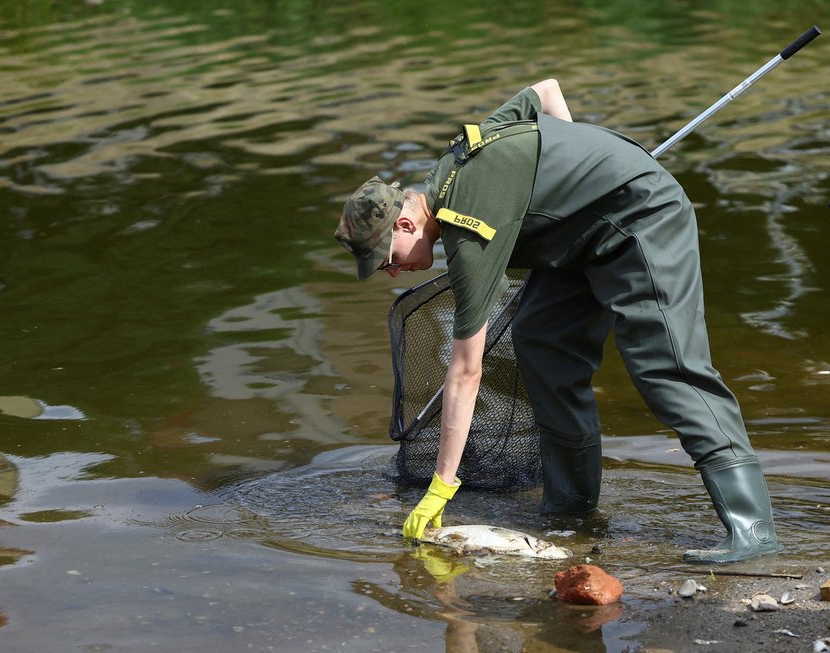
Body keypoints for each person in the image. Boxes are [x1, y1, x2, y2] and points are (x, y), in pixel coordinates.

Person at [333, 78, 781, 564]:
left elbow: (465, 372)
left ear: (404, 223)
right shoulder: (452, 163)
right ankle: (571, 509)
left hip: (641, 218)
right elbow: (543, 92)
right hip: (579, 240)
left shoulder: (466, 229)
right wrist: (570, 177)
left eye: (387, 258)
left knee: (666, 367)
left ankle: (752, 531)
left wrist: (441, 488)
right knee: (540, 340)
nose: (393, 270)